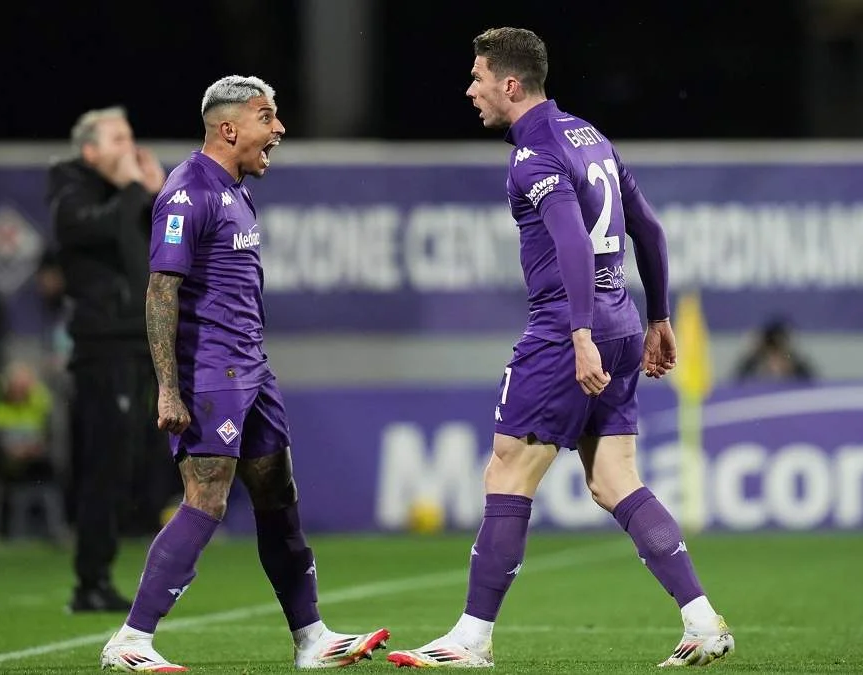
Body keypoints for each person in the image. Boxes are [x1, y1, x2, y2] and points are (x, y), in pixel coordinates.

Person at [385, 28, 734, 669]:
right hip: (622, 321)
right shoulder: (589, 136)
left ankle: (471, 639)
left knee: (507, 471)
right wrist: (657, 315)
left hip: (566, 331)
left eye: (477, 78)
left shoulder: (534, 154)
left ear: (509, 84)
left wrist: (577, 335)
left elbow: (572, 241)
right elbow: (648, 228)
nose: (470, 90)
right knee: (613, 479)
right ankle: (702, 619)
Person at [98, 75, 390, 672]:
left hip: (251, 369)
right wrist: (168, 388)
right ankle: (130, 639)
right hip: (209, 373)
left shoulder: (234, 189)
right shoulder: (187, 192)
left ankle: (312, 639)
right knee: (206, 499)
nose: (278, 128)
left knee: (278, 494)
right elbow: (161, 291)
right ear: (229, 129)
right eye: (267, 117)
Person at [49, 106, 176, 612]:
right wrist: (133, 190)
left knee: (129, 462)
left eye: (130, 136)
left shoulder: (128, 195)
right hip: (103, 347)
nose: (130, 147)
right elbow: (97, 230)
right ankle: (90, 580)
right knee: (104, 463)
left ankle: (100, 574)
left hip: (138, 343)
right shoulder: (70, 190)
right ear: (90, 151)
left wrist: (158, 195)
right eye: (117, 138)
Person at [734, 317, 815, 382]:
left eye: (780, 342)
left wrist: (790, 369)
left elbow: (811, 385)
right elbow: (737, 384)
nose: (775, 347)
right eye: (772, 342)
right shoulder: (753, 362)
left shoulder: (793, 361)